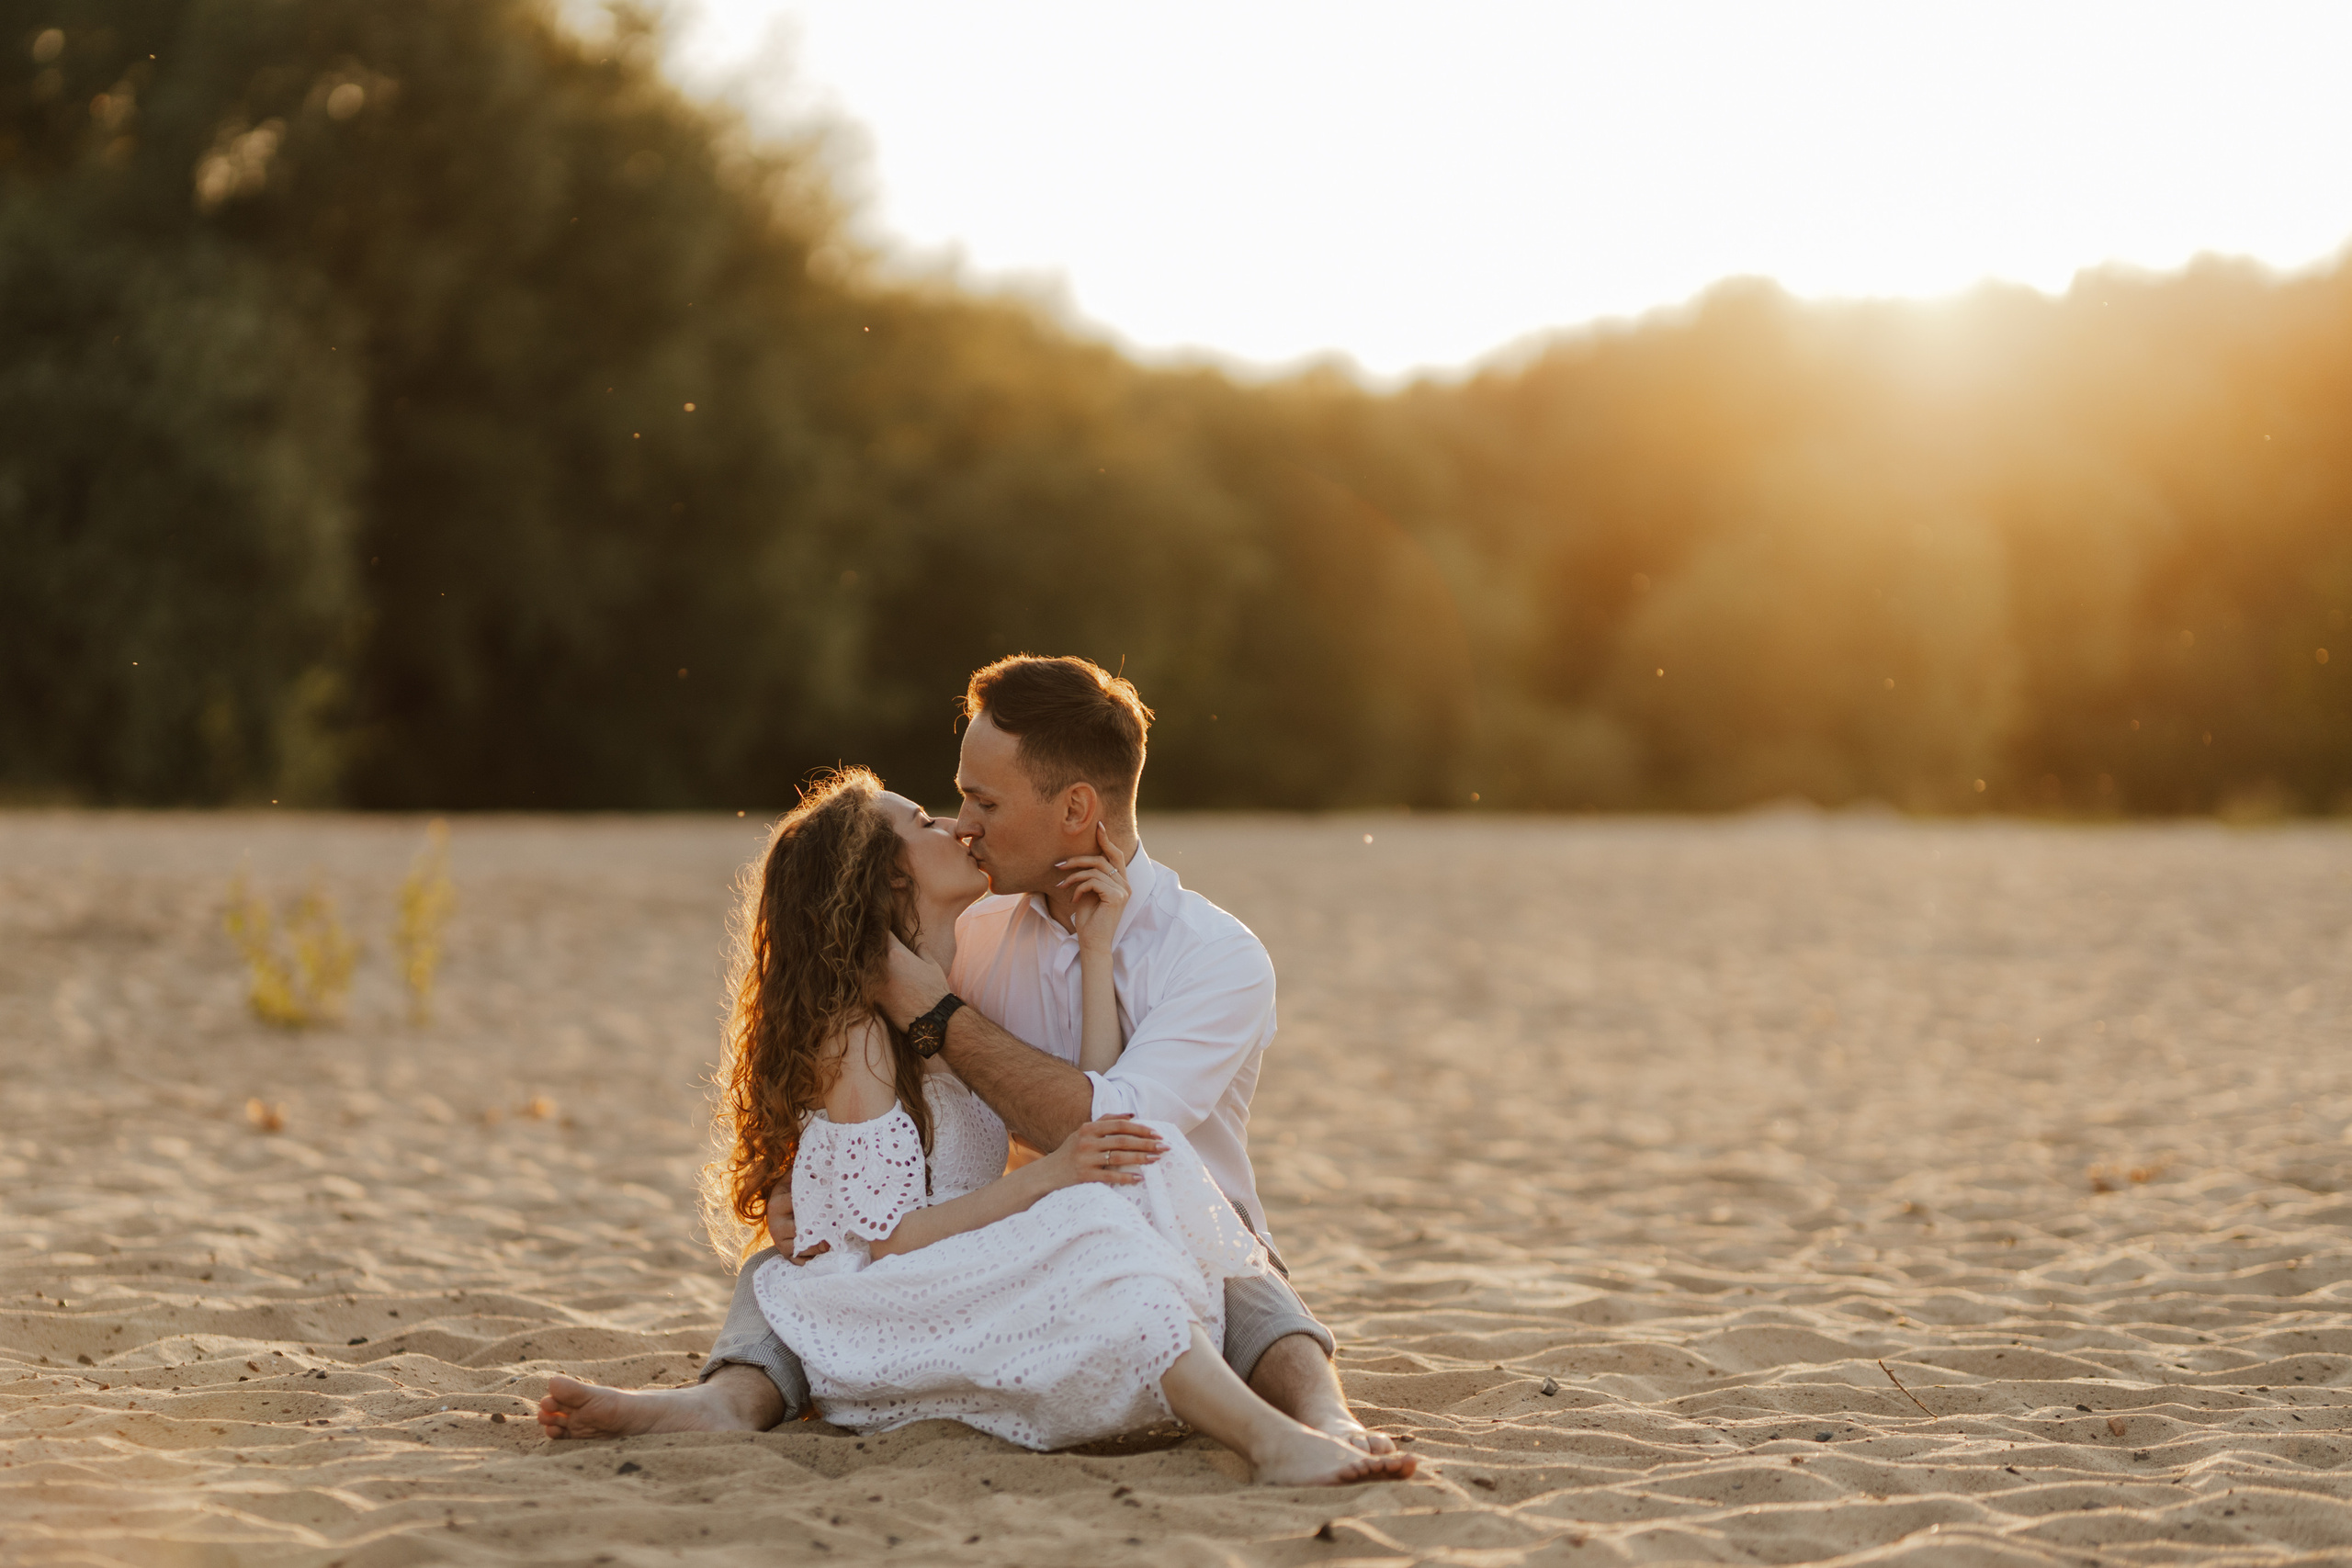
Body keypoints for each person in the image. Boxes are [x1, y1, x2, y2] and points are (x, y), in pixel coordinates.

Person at [538, 656, 1399, 1467]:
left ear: (1076, 810)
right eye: (954, 801)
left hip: (1157, 1213)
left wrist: (946, 1009)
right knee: (786, 1266)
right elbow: (860, 1113)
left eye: (983, 801)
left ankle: (1328, 1419)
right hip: (1006, 1230)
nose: (965, 825)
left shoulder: (1215, 955)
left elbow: (1111, 1136)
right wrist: (803, 1181)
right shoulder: (970, 922)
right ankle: (727, 1400)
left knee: (1228, 1255)